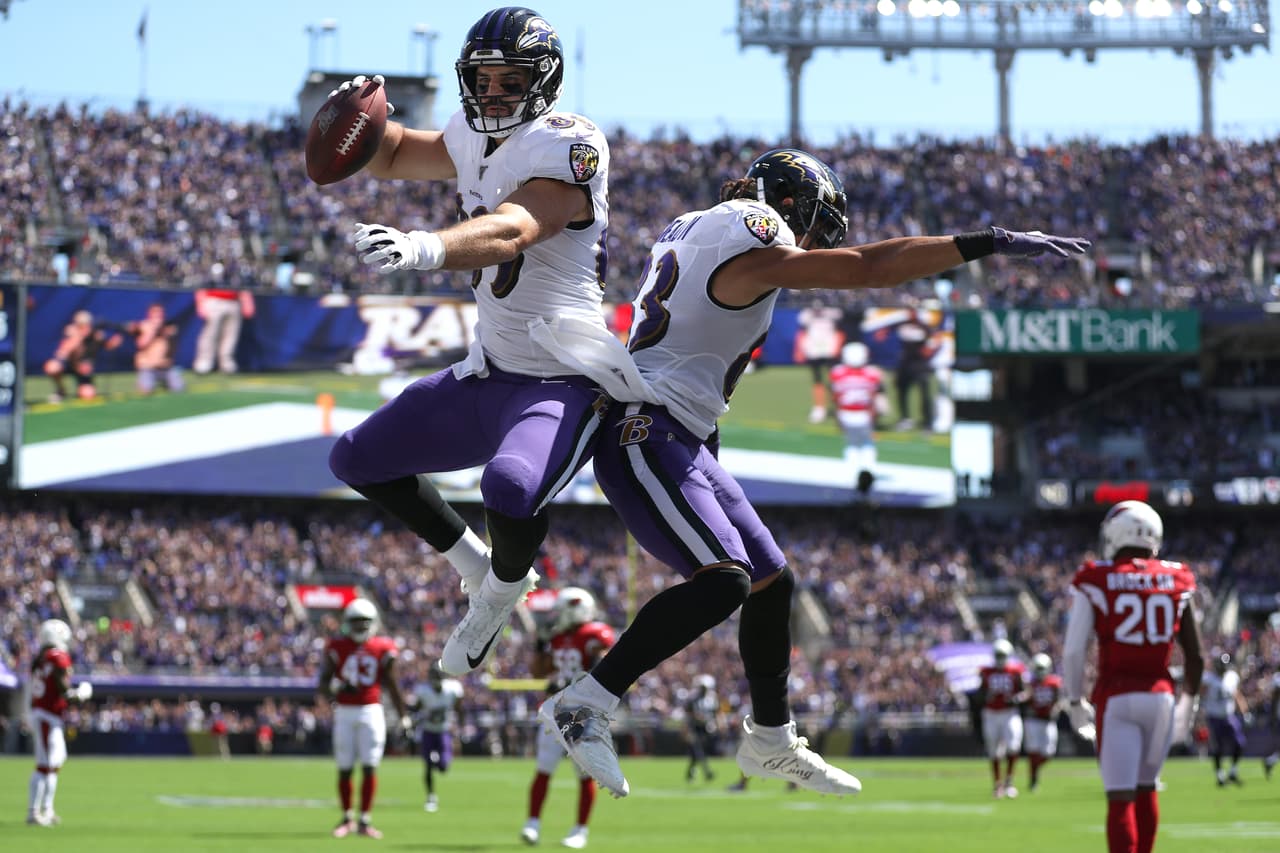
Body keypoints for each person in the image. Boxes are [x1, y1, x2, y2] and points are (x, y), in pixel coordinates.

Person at [537, 147, 1090, 799]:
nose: (813, 248)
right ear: (788, 205)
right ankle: (587, 700)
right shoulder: (753, 227)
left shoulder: (700, 227)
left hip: (680, 432)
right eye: (813, 228)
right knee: (725, 581)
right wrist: (984, 242)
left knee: (773, 581)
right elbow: (869, 266)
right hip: (648, 426)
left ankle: (770, 737)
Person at [327, 6, 620, 678]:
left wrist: (425, 247)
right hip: (490, 371)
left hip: (561, 377)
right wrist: (351, 120)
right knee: (356, 457)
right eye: (482, 79)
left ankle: (499, 593)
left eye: (508, 80)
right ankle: (479, 568)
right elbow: (396, 151)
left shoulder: (569, 142)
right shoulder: (468, 131)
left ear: (542, 81)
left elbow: (517, 227)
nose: (492, 93)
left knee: (510, 487)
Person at [1062, 500, 1205, 853]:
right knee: (1147, 788)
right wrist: (1188, 703)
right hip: (1161, 697)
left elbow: (1074, 651)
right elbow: (1197, 655)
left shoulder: (1097, 576)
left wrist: (1074, 699)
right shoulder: (1176, 577)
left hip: (1118, 695)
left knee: (1121, 797)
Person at [523, 586, 614, 849]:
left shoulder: (594, 634)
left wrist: (572, 682)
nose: (557, 616)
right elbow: (539, 673)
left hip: (583, 713)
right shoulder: (560, 637)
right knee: (543, 768)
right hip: (556, 711)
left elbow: (603, 668)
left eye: (562, 611)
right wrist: (540, 647)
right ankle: (532, 824)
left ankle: (580, 830)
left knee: (584, 773)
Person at [317, 598, 412, 839]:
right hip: (345, 711)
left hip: (371, 710)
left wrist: (404, 716)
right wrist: (338, 689)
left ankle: (365, 820)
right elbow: (323, 683)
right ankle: (347, 817)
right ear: (347, 623)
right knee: (345, 768)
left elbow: (391, 684)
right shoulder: (336, 646)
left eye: (364, 622)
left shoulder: (382, 646)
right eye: (356, 622)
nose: (360, 627)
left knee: (370, 767)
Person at [26, 619, 92, 826]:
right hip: (47, 715)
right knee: (44, 766)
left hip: (46, 714)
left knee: (54, 763)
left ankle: (47, 809)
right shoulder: (56, 657)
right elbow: (63, 690)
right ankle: (34, 812)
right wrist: (80, 694)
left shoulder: (40, 659)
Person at [828, 341, 887, 496]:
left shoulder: (837, 372)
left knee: (851, 444)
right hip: (863, 414)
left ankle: (852, 472)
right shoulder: (872, 373)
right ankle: (868, 471)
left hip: (846, 413)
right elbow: (875, 396)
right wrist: (874, 415)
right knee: (867, 444)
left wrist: (837, 416)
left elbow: (835, 396)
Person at [976, 638, 1028, 799]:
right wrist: (986, 696)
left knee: (1013, 745)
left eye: (1002, 655)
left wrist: (1016, 699)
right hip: (991, 713)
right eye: (998, 655)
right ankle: (997, 785)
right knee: (994, 750)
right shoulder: (986, 672)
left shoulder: (1016, 671)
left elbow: (1025, 692)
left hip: (1009, 713)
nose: (1000, 659)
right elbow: (978, 695)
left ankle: (1009, 782)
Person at [412, 660, 464, 813]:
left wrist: (460, 727)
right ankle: (431, 796)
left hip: (443, 731)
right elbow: (416, 708)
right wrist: (414, 718)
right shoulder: (423, 691)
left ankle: (436, 761)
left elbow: (459, 708)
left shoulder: (452, 689)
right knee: (427, 766)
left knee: (443, 767)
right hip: (428, 731)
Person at [42, 310, 122, 403]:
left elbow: (108, 345)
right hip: (69, 366)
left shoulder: (96, 336)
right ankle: (61, 390)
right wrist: (77, 338)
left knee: (88, 395)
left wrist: (114, 342)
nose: (84, 328)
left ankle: (81, 389)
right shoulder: (70, 335)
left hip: (83, 371)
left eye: (86, 325)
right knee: (52, 367)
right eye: (80, 325)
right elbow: (61, 353)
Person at [793, 297, 844, 423]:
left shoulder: (833, 314)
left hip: (829, 350)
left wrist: (837, 347)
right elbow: (802, 333)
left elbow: (839, 332)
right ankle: (819, 407)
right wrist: (799, 349)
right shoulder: (806, 316)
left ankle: (839, 407)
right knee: (817, 380)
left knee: (834, 381)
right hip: (813, 351)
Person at [1202, 651, 1249, 787]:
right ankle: (1220, 776)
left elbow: (1236, 693)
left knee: (1240, 743)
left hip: (1229, 716)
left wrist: (1244, 710)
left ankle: (1233, 772)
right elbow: (1200, 694)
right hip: (1213, 717)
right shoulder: (1208, 679)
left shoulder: (1231, 677)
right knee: (1218, 747)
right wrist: (1199, 711)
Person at [123, 302, 184, 395]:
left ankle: (166, 384)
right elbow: (141, 344)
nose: (158, 315)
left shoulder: (167, 328)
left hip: (164, 368)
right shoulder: (143, 326)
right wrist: (153, 330)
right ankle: (143, 383)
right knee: (146, 390)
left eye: (160, 312)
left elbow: (173, 349)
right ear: (150, 314)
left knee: (179, 388)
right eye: (155, 312)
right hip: (148, 368)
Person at [1025, 652, 1064, 793]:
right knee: (1033, 751)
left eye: (1042, 668)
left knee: (1048, 752)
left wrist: (1056, 708)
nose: (1040, 672)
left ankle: (1034, 770)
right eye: (1038, 668)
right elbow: (1026, 696)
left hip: (1048, 721)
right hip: (1033, 720)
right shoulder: (1030, 684)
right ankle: (1033, 780)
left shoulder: (1054, 683)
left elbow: (1059, 700)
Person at [892, 309, 937, 431]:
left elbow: (933, 343)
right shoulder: (901, 325)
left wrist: (928, 352)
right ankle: (905, 418)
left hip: (919, 364)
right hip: (905, 364)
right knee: (901, 391)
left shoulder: (924, 327)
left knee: (924, 394)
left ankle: (927, 422)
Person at [192, 288, 254, 374]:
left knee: (231, 335)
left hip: (234, 301)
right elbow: (202, 284)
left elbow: (242, 284)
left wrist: (247, 301)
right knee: (210, 334)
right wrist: (200, 302)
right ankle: (204, 362)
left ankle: (226, 363)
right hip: (213, 300)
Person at [684, 674, 721, 783]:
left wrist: (717, 724)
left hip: (707, 728)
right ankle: (707, 772)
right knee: (698, 750)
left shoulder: (712, 698)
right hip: (695, 727)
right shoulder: (693, 698)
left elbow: (716, 713)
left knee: (699, 752)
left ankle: (690, 771)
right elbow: (689, 714)